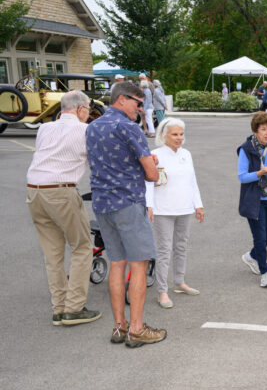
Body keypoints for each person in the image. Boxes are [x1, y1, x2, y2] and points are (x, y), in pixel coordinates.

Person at [86, 82, 166, 348]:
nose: (141, 108)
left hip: (102, 203)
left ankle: (119, 326)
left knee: (117, 264)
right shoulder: (129, 127)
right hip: (128, 202)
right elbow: (152, 175)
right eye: (138, 103)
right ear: (121, 99)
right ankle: (137, 329)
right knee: (138, 264)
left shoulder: (93, 126)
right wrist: (150, 166)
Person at [26, 90, 101, 326]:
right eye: (88, 109)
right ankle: (74, 309)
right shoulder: (86, 130)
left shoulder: (44, 128)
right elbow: (96, 162)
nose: (89, 114)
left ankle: (59, 308)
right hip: (61, 189)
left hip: (34, 190)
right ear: (80, 109)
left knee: (52, 254)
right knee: (82, 247)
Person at [145, 118, 204, 309]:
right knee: (164, 250)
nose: (179, 138)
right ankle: (162, 291)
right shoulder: (155, 155)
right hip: (163, 210)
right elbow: (148, 182)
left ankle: (179, 281)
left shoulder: (186, 154)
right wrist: (149, 205)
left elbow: (192, 181)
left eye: (181, 134)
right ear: (164, 136)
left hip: (185, 208)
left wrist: (198, 205)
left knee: (181, 246)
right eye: (174, 134)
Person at [238, 112, 267, 287]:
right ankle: (265, 271)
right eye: (263, 129)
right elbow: (242, 176)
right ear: (256, 131)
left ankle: (251, 256)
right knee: (260, 237)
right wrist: (260, 173)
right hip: (254, 200)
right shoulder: (246, 149)